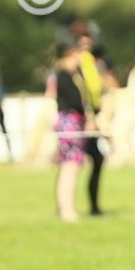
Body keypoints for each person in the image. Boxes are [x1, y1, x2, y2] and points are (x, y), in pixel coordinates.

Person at [46, 40, 92, 222]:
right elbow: (74, 100)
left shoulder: (75, 75)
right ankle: (67, 209)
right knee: (69, 166)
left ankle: (67, 208)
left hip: (75, 121)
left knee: (71, 167)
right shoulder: (63, 75)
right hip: (69, 122)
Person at [75, 32, 107, 213]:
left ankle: (93, 206)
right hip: (82, 119)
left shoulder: (94, 66)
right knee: (72, 165)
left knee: (96, 160)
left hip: (91, 117)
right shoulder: (79, 67)